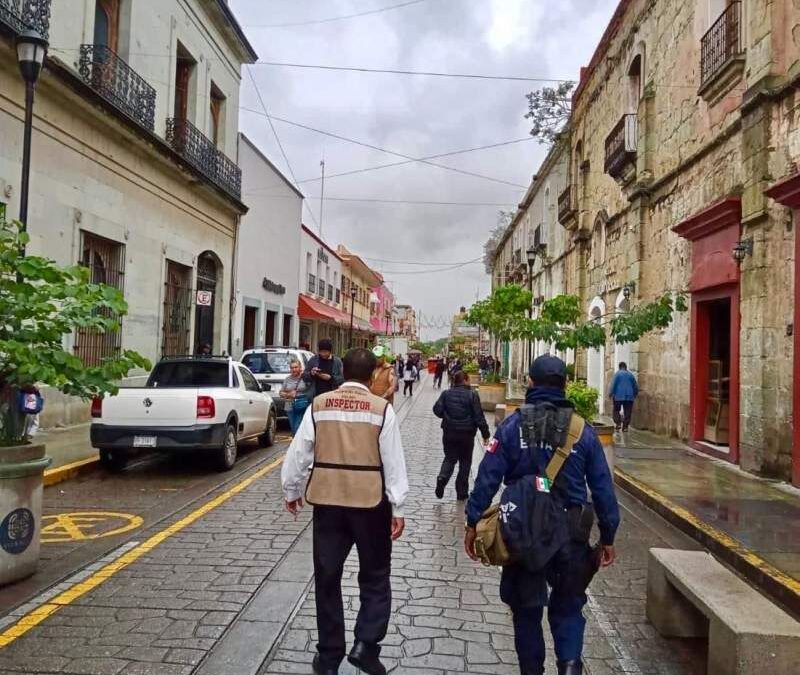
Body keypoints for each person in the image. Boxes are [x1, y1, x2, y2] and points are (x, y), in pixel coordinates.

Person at [465, 355, 620, 675]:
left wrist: (473, 520)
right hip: (571, 533)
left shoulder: (512, 426)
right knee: (568, 606)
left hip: (524, 531)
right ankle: (569, 666)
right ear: (565, 385)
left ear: (532, 384)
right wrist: (608, 536)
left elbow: (487, 476)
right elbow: (603, 488)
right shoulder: (583, 431)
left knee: (526, 609)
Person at [281, 348, 409, 675]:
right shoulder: (382, 410)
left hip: (328, 502)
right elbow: (393, 461)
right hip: (370, 504)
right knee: (376, 576)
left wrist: (292, 490)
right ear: (371, 377)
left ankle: (328, 656)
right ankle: (366, 644)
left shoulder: (319, 406)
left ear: (343, 373)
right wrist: (397, 505)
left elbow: (299, 452)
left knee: (327, 577)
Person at [432, 371, 490, 500]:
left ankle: (442, 477)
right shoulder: (472, 395)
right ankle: (462, 492)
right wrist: (485, 434)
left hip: (449, 432)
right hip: (467, 434)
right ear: (465, 380)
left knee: (450, 458)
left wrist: (446, 417)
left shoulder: (446, 394)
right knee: (465, 462)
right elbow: (479, 416)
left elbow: (437, 409)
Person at [279, 359, 309, 436]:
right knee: (293, 428)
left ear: (300, 367)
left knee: (297, 427)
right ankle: (296, 445)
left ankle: (298, 446)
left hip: (301, 405)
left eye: (296, 367)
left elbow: (310, 390)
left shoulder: (304, 378)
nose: (294, 369)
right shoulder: (287, 379)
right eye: (292, 368)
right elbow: (281, 393)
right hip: (289, 406)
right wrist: (289, 395)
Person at [608, 362, 638, 432]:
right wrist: (635, 394)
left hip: (618, 395)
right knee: (628, 411)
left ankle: (618, 423)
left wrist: (610, 393)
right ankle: (625, 427)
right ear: (625, 367)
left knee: (616, 410)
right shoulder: (630, 375)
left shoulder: (617, 374)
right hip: (629, 396)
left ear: (619, 367)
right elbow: (635, 386)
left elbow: (613, 384)